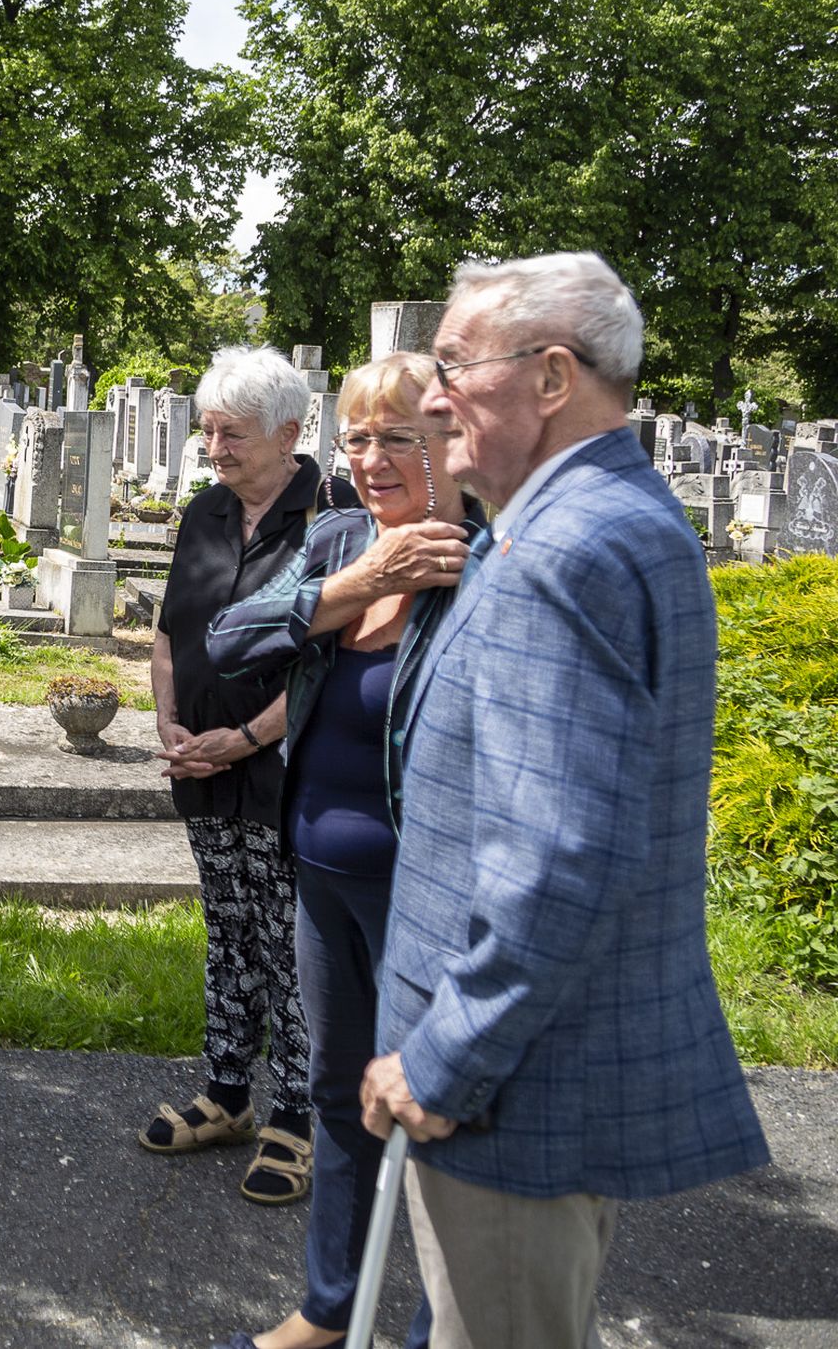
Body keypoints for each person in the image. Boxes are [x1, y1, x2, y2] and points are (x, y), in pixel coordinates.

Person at [362, 253, 769, 1347]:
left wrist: (440, 1058)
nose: (432, 398)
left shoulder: (566, 548)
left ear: (552, 377)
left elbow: (559, 856)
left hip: (510, 1092)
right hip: (536, 1070)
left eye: (456, 366)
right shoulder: (590, 517)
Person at [200, 353, 481, 1349]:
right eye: (356, 438)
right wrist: (361, 582)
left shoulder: (483, 560)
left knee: (434, 1112)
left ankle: (435, 1327)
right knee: (336, 1090)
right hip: (320, 872)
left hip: (426, 890)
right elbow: (230, 639)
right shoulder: (341, 536)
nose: (370, 458)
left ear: (453, 442)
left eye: (397, 437)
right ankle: (330, 1307)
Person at [141, 345, 348, 1204]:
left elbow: (327, 661)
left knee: (288, 942)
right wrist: (169, 721)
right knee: (227, 928)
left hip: (284, 771)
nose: (214, 447)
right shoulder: (205, 511)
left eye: (232, 434)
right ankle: (228, 1092)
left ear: (289, 433)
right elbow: (169, 632)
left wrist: (245, 738)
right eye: (209, 430)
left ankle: (298, 1114)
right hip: (200, 764)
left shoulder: (332, 516)